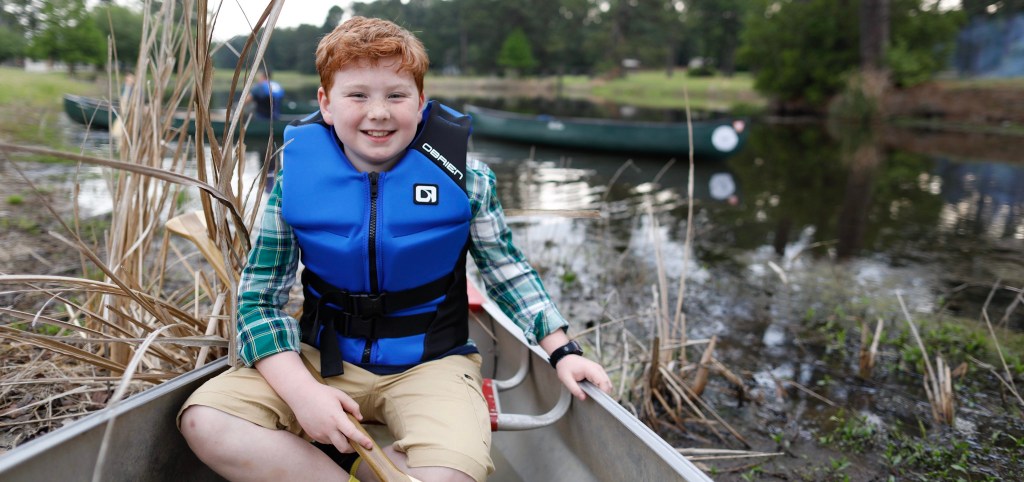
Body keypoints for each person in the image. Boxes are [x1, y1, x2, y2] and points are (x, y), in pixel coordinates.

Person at [178, 16, 612, 482]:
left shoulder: (469, 179)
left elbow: (507, 271)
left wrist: (563, 351)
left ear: (421, 102)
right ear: (326, 104)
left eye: (396, 95)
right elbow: (259, 300)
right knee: (206, 421)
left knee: (451, 477)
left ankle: (353, 462)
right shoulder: (293, 183)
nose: (379, 112)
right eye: (358, 95)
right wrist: (304, 396)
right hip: (319, 356)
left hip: (431, 362)